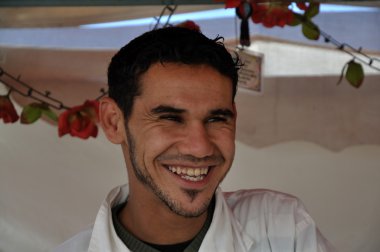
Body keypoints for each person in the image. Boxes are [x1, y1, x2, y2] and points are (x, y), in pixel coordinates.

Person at [55, 27, 335, 252]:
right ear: (113, 122)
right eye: (169, 118)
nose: (200, 147)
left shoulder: (284, 229)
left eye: (216, 119)